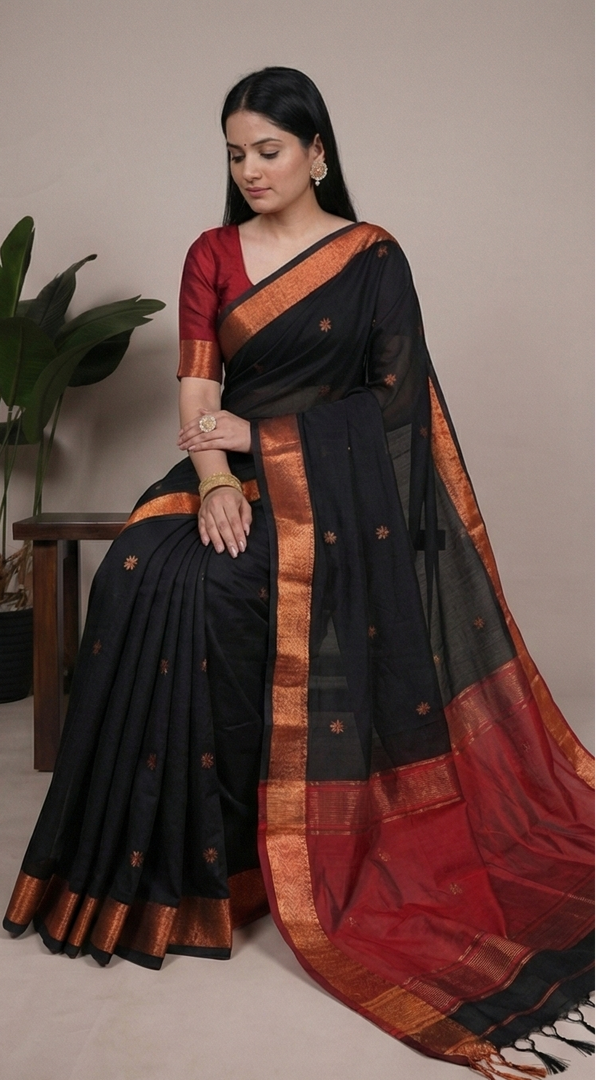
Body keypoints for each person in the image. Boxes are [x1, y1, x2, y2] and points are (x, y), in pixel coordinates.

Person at [3, 67, 594, 1078]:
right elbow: (195, 382)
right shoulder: (211, 254)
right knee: (147, 567)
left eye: (268, 151)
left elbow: (395, 409)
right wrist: (218, 478)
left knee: (233, 591)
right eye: (235, 153)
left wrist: (267, 438)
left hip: (337, 498)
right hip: (225, 471)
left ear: (316, 152)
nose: (250, 170)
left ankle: (265, 843)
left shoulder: (371, 260)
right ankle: (185, 865)